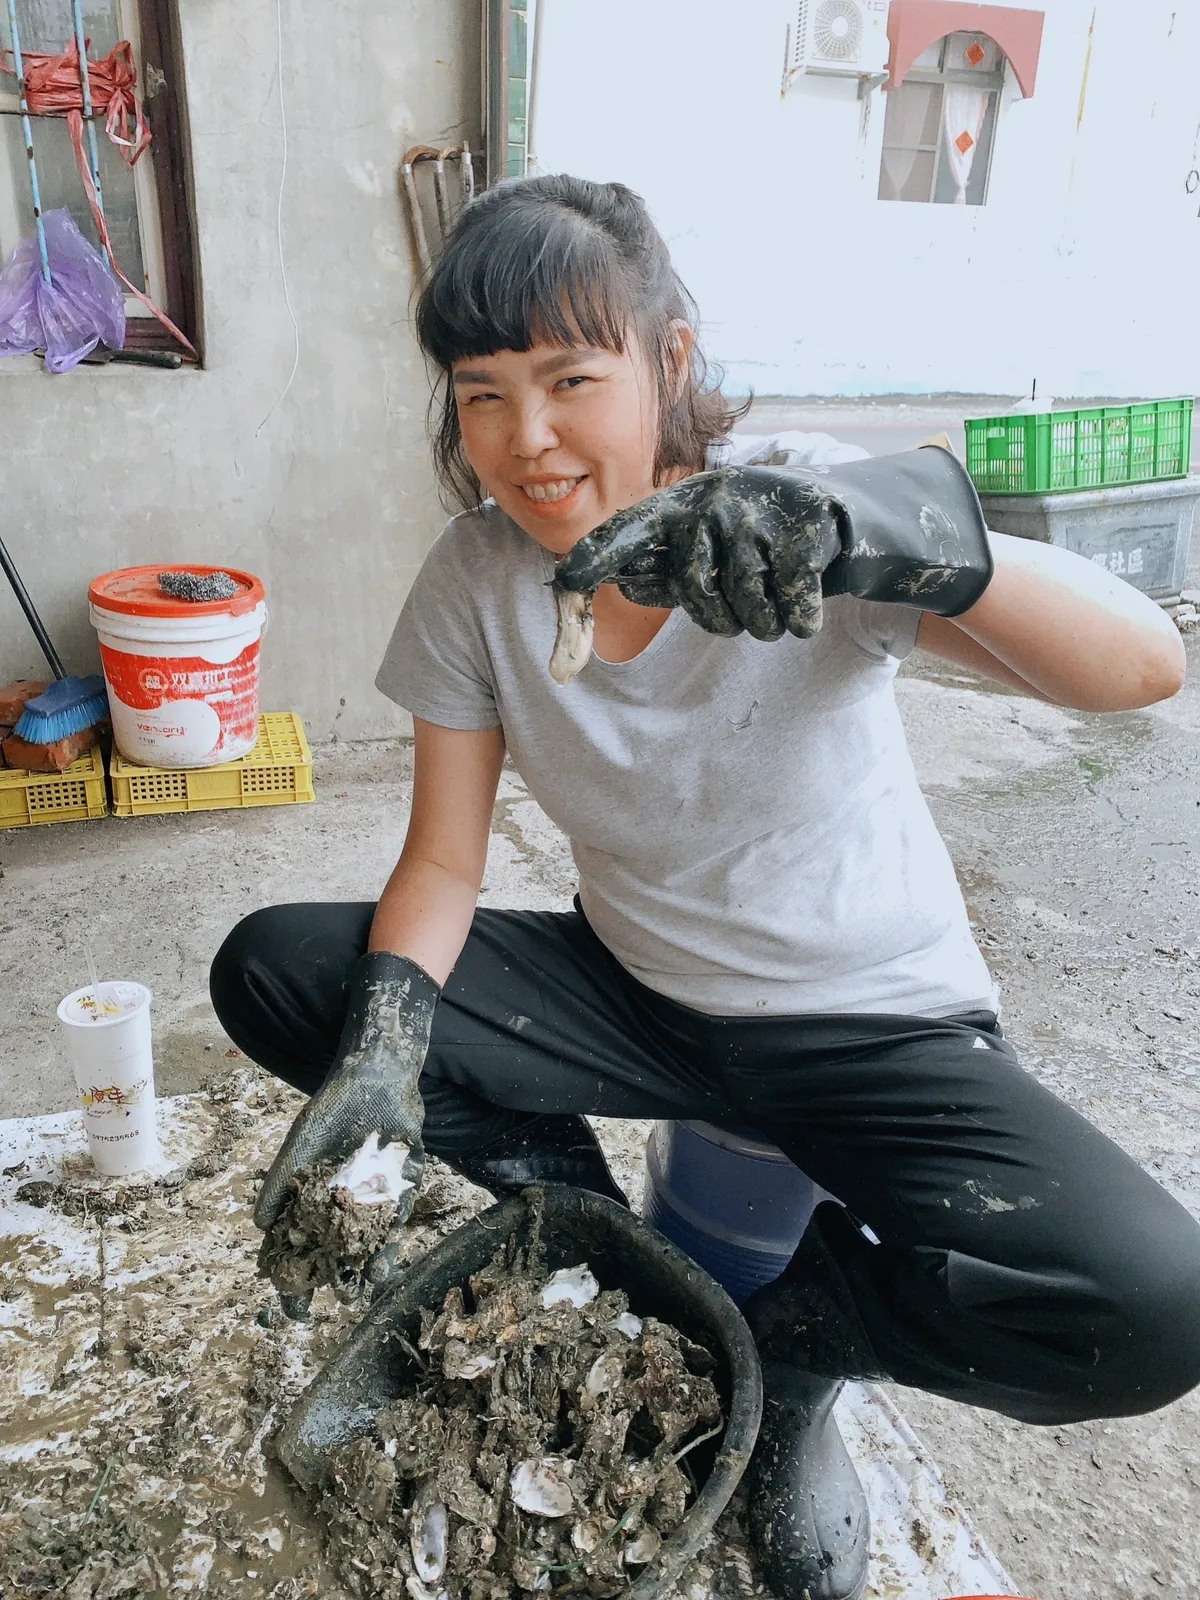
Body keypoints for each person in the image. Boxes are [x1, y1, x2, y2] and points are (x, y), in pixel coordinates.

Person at [211, 176, 1200, 1600]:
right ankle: (594, 1242)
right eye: (483, 394)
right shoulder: (478, 576)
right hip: (636, 997)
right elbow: (442, 859)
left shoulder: (786, 516)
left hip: (869, 1026)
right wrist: (379, 1057)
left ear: (669, 360)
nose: (526, 438)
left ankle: (788, 1357)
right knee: (280, 968)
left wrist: (895, 528)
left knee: (1152, 1308)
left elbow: (1143, 668)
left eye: (572, 379)